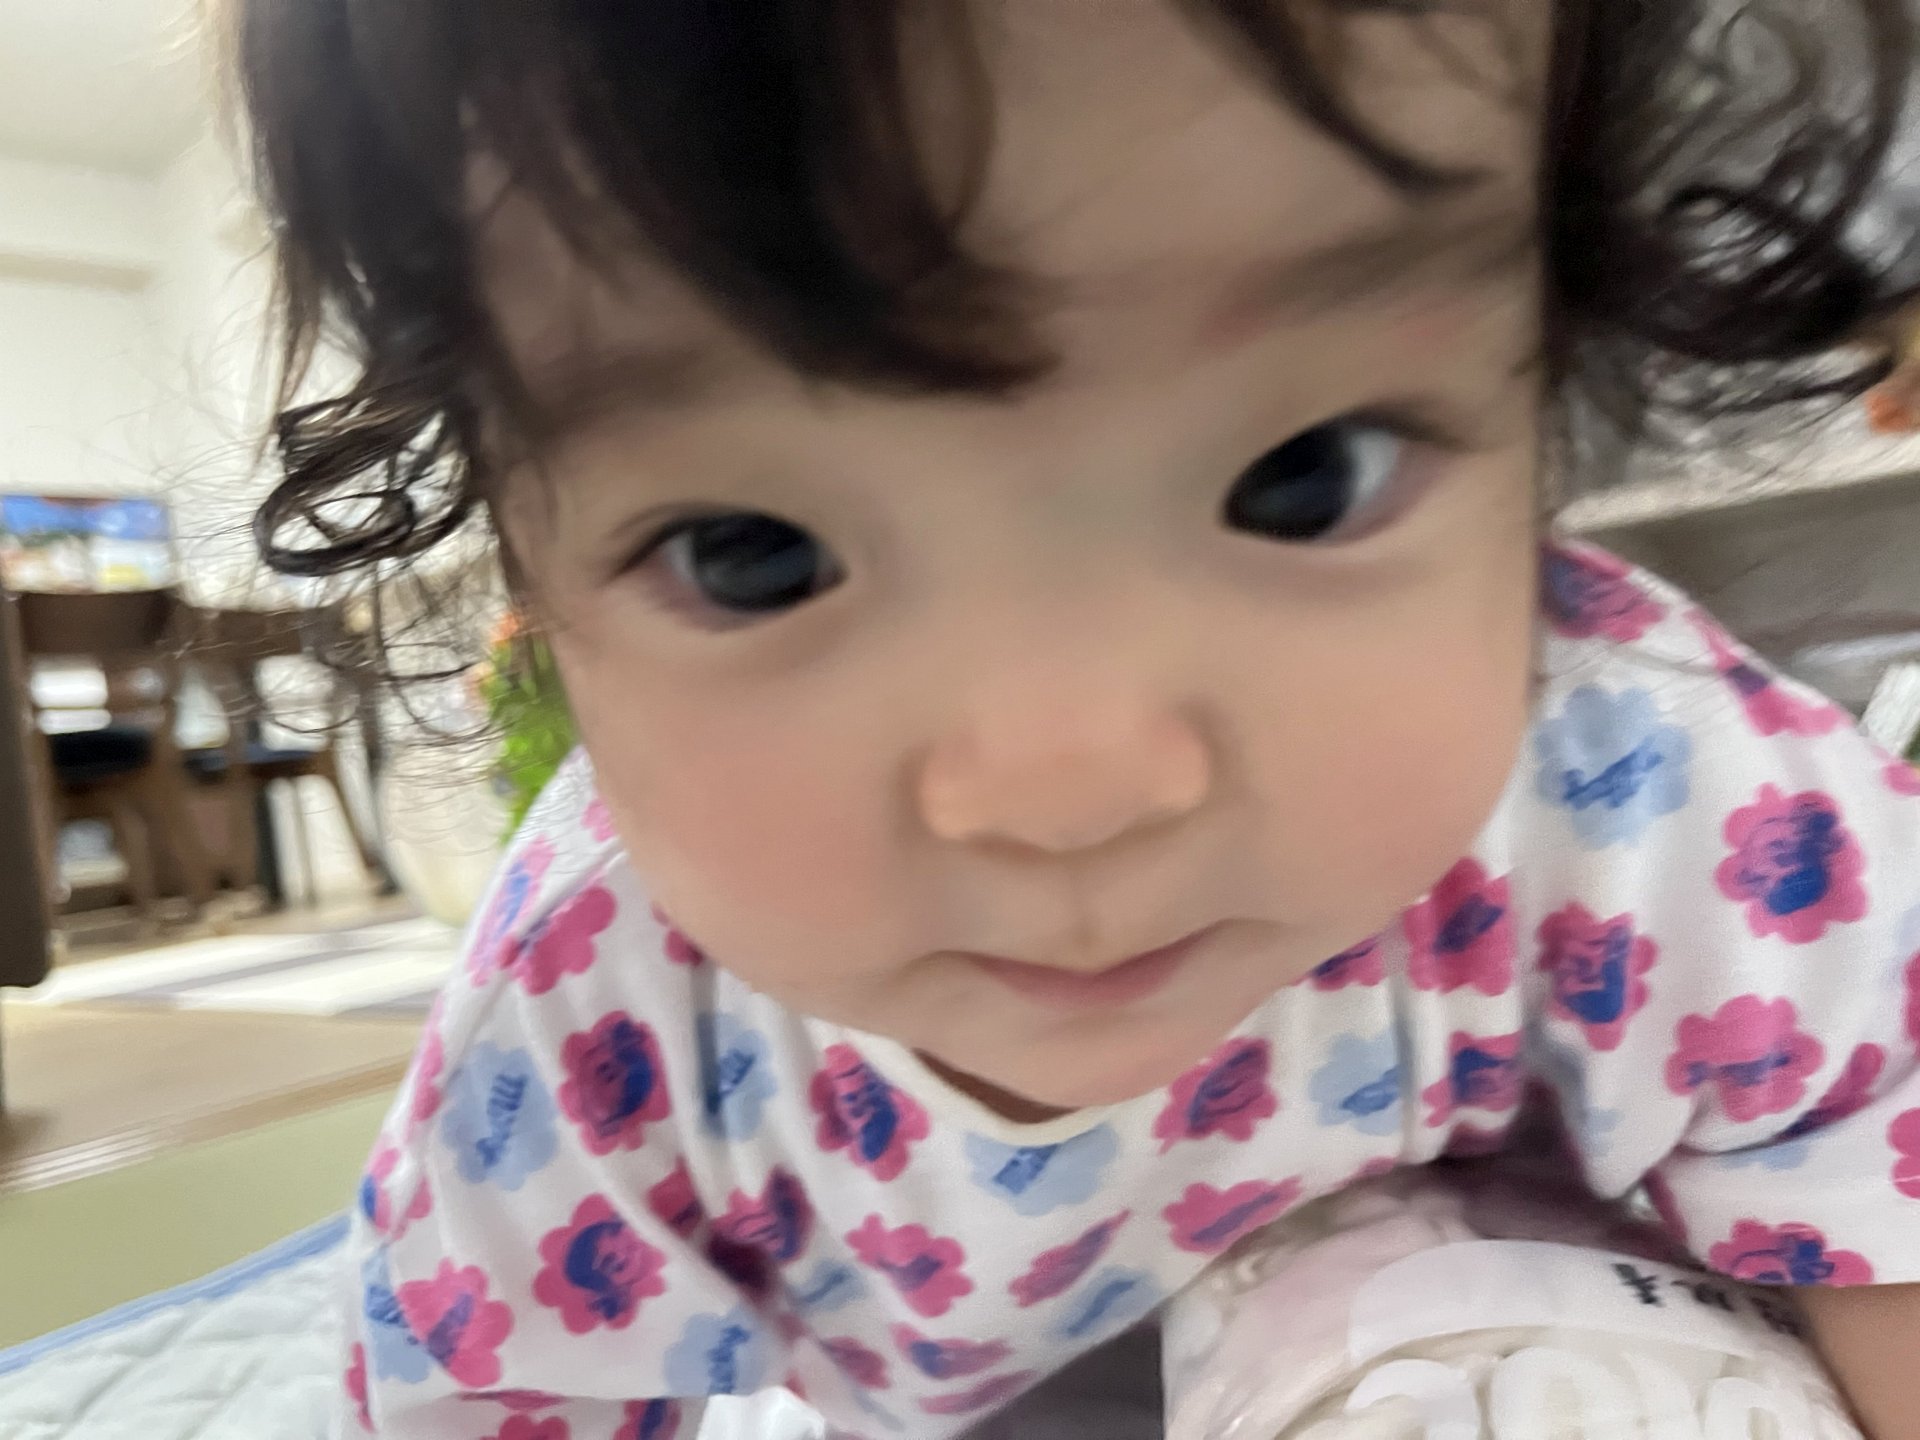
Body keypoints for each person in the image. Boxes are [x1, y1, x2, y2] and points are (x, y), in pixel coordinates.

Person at [231, 1, 1920, 1435]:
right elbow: (490, 1384)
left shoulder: (1663, 788)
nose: (1070, 789)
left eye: (1305, 476)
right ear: (530, 583)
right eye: (753, 555)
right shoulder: (591, 1019)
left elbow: (1882, 1175)